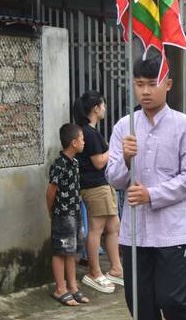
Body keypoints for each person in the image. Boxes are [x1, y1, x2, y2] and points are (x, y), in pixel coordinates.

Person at [106, 55, 186, 319]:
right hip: (135, 233)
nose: (145, 91)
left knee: (172, 299)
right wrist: (126, 159)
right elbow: (114, 179)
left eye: (152, 83)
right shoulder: (124, 127)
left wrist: (152, 194)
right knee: (139, 302)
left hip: (172, 231)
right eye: (139, 84)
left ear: (168, 84)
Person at [73, 91, 123, 294]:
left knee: (113, 226)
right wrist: (116, 148)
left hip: (103, 184)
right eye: (103, 104)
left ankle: (116, 268)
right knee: (97, 228)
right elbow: (99, 162)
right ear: (96, 108)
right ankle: (94, 271)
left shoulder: (92, 132)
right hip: (95, 186)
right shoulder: (90, 133)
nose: (105, 108)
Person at [47, 123, 89, 307]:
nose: (84, 142)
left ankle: (72, 286)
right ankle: (60, 288)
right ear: (73, 142)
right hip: (62, 215)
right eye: (81, 139)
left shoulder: (75, 163)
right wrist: (52, 212)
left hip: (75, 212)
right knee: (60, 251)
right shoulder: (59, 165)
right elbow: (51, 192)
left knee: (71, 251)